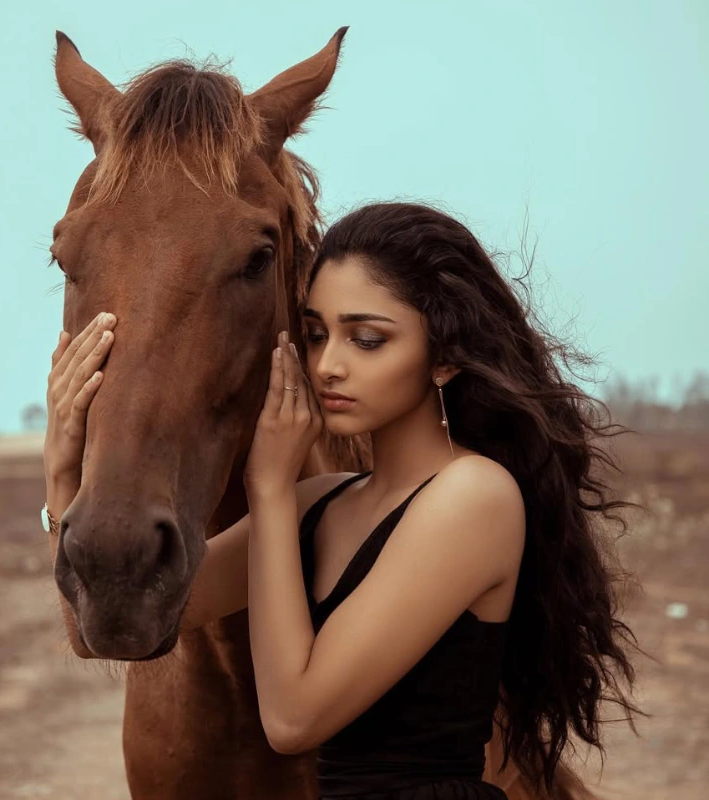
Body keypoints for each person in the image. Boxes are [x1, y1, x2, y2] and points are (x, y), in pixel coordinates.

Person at [44, 202, 640, 799]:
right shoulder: (323, 503)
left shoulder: (474, 497)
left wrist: (271, 489)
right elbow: (103, 624)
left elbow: (293, 720)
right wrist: (62, 462)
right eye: (315, 334)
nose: (328, 365)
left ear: (445, 356)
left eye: (368, 340)